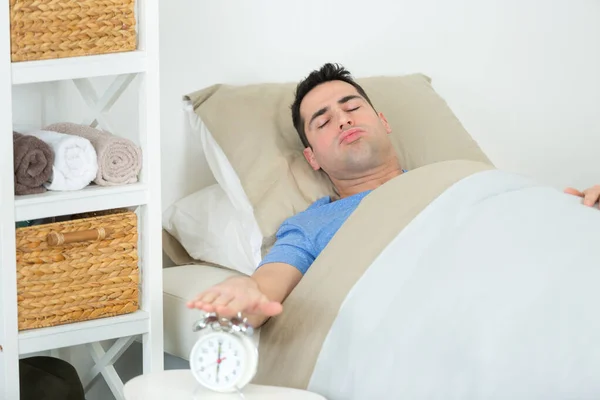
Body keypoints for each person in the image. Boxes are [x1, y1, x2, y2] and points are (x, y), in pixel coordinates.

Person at [187, 63, 600, 328]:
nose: (343, 117)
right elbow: (266, 286)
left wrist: (575, 210)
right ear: (311, 157)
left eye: (351, 105)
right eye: (323, 120)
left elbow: (525, 226)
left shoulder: (459, 180)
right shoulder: (312, 225)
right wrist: (244, 296)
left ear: (382, 122)